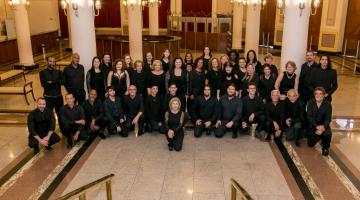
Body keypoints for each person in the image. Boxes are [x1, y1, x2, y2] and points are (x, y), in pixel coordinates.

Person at [307, 87, 332, 156]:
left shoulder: (328, 104)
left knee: (327, 134)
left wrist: (324, 127)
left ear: (324, 95)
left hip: (324, 125)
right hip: (313, 125)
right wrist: (317, 126)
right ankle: (319, 136)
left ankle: (325, 148)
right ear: (314, 95)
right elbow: (309, 116)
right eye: (316, 94)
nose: (318, 95)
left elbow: (328, 118)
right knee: (310, 144)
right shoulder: (310, 102)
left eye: (320, 94)